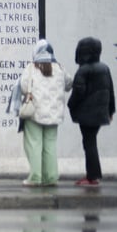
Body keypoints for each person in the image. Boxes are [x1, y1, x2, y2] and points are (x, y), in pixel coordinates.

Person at [19, 39, 72, 187]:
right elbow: (69, 84)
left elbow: (23, 87)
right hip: (54, 115)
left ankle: (36, 177)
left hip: (34, 113)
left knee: (34, 144)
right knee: (50, 145)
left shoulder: (31, 68)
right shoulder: (60, 68)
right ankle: (51, 177)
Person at [68, 37, 116, 186]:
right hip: (101, 114)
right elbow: (111, 91)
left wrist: (70, 105)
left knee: (89, 144)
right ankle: (93, 174)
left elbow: (78, 92)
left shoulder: (83, 70)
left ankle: (92, 176)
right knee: (91, 142)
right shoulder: (105, 68)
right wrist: (111, 110)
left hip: (86, 115)